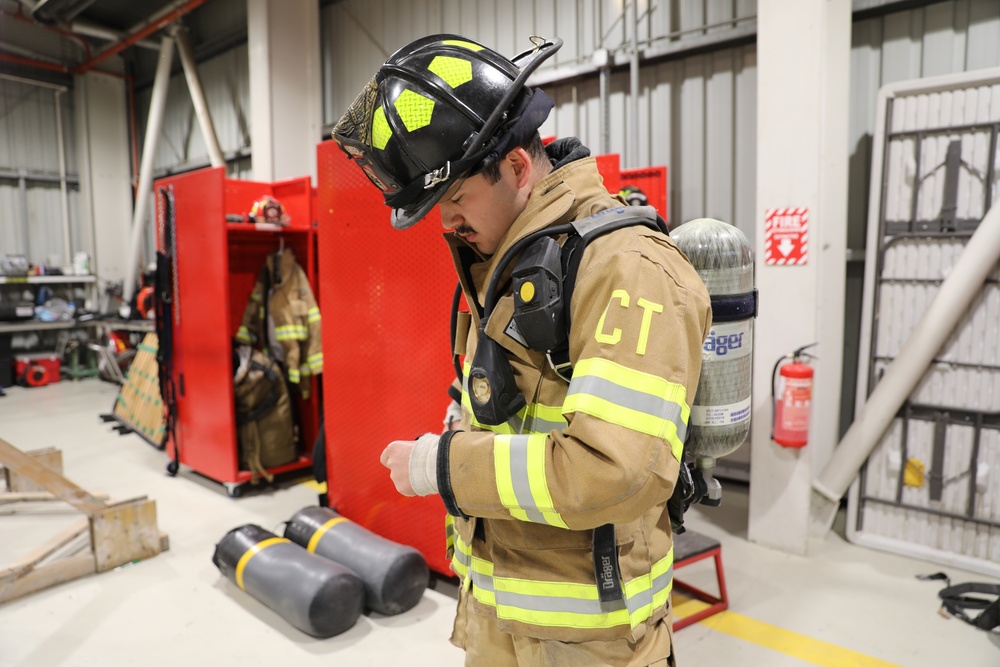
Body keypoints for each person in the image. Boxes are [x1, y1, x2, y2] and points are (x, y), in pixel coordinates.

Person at [331, 33, 711, 667]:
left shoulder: (627, 270)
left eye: (454, 199)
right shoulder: (506, 260)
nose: (446, 224)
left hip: (590, 641)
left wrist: (443, 468)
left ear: (515, 168)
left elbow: (616, 470)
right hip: (502, 615)